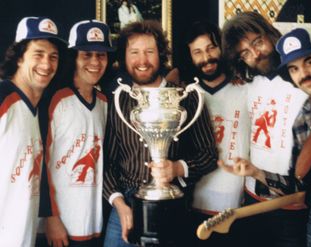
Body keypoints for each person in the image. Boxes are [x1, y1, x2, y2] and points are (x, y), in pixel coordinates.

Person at [222, 27, 311, 246]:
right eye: (294, 69)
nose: (304, 73)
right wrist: (255, 172)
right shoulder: (302, 122)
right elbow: (297, 183)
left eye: (309, 62)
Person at [103, 20, 218, 247]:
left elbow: (209, 155)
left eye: (149, 52)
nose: (142, 61)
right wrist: (119, 203)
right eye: (134, 52)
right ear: (124, 57)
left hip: (172, 206)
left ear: (161, 54)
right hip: (125, 204)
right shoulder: (118, 101)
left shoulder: (186, 97)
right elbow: (108, 162)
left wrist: (176, 169)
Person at [220, 11, 309, 247]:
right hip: (253, 198)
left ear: (269, 34)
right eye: (245, 53)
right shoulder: (248, 84)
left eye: (257, 42)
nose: (256, 54)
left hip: (291, 203)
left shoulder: (302, 75)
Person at [169, 21, 249, 247]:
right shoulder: (185, 95)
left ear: (222, 47)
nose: (206, 57)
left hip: (235, 209)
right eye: (198, 52)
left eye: (211, 48)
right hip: (193, 207)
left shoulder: (245, 88)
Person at [38, 20, 114, 247]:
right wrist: (51, 218)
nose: (94, 62)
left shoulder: (104, 103)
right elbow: (40, 162)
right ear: (74, 57)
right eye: (86, 54)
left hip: (93, 223)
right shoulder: (55, 99)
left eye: (101, 55)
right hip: (59, 227)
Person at [0, 16, 65, 247]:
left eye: (53, 57)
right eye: (38, 54)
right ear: (19, 58)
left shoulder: (37, 110)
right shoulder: (3, 98)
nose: (46, 65)